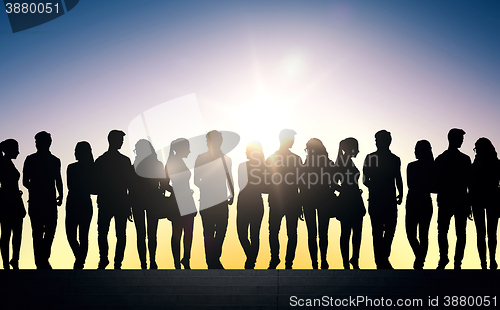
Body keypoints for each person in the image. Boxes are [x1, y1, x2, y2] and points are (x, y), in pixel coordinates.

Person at [363, 130, 403, 269]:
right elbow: (364, 179)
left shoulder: (395, 159)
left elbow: (398, 177)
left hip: (389, 200)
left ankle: (383, 257)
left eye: (379, 139)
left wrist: (401, 192)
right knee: (377, 231)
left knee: (390, 229)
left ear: (387, 141)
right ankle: (381, 261)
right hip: (376, 200)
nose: (377, 142)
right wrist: (374, 186)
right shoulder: (370, 157)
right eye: (376, 139)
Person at [23, 131, 63, 269]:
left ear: (47, 143)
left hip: (48, 201)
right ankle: (41, 261)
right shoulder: (30, 159)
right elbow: (25, 181)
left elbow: (58, 179)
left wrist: (61, 194)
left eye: (38, 141)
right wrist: (36, 189)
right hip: (37, 201)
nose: (37, 144)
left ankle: (43, 258)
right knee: (38, 232)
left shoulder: (55, 160)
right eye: (36, 142)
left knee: (49, 230)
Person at [95, 130, 134, 269]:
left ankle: (107, 260)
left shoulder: (101, 160)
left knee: (106, 233)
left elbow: (130, 184)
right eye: (120, 139)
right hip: (117, 202)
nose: (122, 142)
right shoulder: (123, 161)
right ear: (112, 140)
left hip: (111, 202)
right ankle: (113, 261)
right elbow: (131, 185)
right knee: (117, 234)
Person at [194, 130, 234, 269]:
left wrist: (232, 193)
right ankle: (212, 262)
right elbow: (196, 180)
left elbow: (230, 177)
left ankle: (214, 259)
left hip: (221, 200)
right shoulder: (201, 158)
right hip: (207, 200)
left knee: (221, 230)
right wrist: (208, 187)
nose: (208, 143)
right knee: (209, 232)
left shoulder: (226, 159)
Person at [434, 128, 471, 270]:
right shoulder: (464, 159)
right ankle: (455, 261)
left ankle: (446, 258)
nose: (462, 141)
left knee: (444, 231)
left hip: (448, 200)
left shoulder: (441, 158)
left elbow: (434, 181)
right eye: (460, 139)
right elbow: (469, 183)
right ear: (452, 139)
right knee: (459, 233)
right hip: (458, 200)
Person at [266, 129, 302, 269]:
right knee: (289, 232)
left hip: (281, 200)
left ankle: (277, 259)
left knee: (276, 231)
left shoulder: (272, 158)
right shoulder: (295, 159)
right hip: (287, 200)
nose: (293, 141)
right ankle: (285, 262)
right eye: (292, 138)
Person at [300, 138, 334, 269]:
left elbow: (301, 186)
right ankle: (321, 260)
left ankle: (316, 262)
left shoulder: (306, 165)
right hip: (322, 200)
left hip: (311, 200)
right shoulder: (327, 163)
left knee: (313, 234)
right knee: (321, 233)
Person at [130, 139, 164, 269]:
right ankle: (152, 261)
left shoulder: (134, 166)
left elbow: (130, 186)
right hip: (152, 201)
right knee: (151, 233)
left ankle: (144, 263)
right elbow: (163, 182)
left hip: (137, 201)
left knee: (141, 234)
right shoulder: (157, 164)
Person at [333, 138, 366, 269]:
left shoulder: (346, 161)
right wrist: (347, 190)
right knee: (348, 232)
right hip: (348, 201)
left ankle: (352, 260)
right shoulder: (342, 162)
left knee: (353, 232)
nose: (358, 150)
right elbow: (334, 183)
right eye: (356, 147)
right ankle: (348, 261)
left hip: (353, 200)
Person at [165, 138, 197, 269]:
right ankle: (179, 261)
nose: (189, 151)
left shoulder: (177, 162)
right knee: (179, 232)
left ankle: (184, 260)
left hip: (185, 199)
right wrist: (178, 190)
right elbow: (165, 184)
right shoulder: (173, 163)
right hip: (178, 201)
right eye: (187, 148)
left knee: (185, 232)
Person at [470, 137, 499, 270]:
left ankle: (485, 263)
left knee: (481, 233)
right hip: (491, 199)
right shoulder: (496, 163)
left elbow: (470, 186)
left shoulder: (475, 165)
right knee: (490, 233)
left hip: (480, 200)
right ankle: (490, 261)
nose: (476, 151)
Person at [65, 141, 96, 269]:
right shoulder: (73, 167)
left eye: (76, 150)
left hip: (77, 202)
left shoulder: (77, 168)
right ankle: (80, 258)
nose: (75, 152)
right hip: (78, 202)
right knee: (74, 235)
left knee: (82, 235)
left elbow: (95, 188)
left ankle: (80, 261)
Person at [405, 140, 434, 269]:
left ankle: (419, 260)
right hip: (419, 202)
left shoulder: (417, 166)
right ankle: (420, 257)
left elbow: (411, 185)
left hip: (416, 202)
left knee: (421, 234)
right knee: (416, 234)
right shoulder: (415, 166)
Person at [237, 141, 266, 269]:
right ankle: (251, 257)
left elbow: (267, 186)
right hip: (246, 202)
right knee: (243, 233)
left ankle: (251, 262)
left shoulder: (263, 168)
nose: (245, 152)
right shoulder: (243, 166)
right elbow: (241, 184)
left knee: (254, 234)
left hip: (252, 202)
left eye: (247, 149)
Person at [0, 139, 26, 269]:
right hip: (9, 203)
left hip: (13, 202)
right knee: (7, 234)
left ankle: (13, 260)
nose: (18, 152)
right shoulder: (3, 163)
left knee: (13, 234)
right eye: (16, 149)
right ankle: (9, 262)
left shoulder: (7, 163)